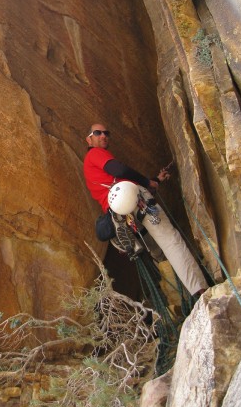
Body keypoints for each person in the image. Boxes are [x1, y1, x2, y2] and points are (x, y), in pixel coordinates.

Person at [83, 123, 207, 297]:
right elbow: (120, 170)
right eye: (98, 133)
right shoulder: (95, 154)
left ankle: (177, 296)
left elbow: (118, 180)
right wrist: (147, 183)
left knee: (156, 252)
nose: (103, 135)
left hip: (122, 215)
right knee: (170, 241)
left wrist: (155, 179)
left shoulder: (89, 172)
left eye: (106, 133)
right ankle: (199, 291)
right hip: (137, 200)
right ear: (89, 139)